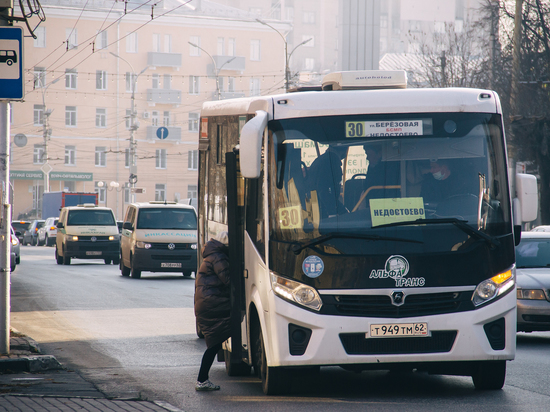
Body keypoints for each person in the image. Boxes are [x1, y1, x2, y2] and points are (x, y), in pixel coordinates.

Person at [194, 231, 231, 391]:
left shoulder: (212, 255)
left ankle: (202, 380)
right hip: (212, 303)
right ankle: (202, 380)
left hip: (207, 303)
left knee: (215, 343)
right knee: (214, 344)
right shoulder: (218, 257)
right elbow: (228, 279)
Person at [307, 145, 348, 217]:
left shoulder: (320, 160)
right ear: (344, 150)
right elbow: (325, 192)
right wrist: (333, 213)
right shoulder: (332, 162)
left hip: (314, 206)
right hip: (323, 212)